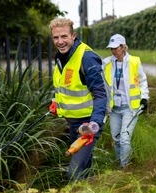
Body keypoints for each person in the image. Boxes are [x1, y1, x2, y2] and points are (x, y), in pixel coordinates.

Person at [48, 18, 107, 181]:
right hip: (73, 123)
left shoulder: (86, 58)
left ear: (73, 36)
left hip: (88, 124)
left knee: (74, 173)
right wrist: (56, 104)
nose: (60, 42)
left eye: (64, 36)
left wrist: (93, 124)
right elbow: (67, 88)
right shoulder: (61, 57)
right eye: (56, 38)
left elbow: (101, 95)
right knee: (84, 167)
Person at [102, 34, 149, 169]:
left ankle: (125, 168)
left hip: (129, 107)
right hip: (114, 108)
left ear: (123, 47)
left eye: (116, 48)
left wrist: (144, 98)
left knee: (124, 138)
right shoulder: (106, 63)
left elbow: (142, 80)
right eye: (111, 49)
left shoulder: (134, 62)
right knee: (116, 139)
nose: (113, 51)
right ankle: (119, 163)